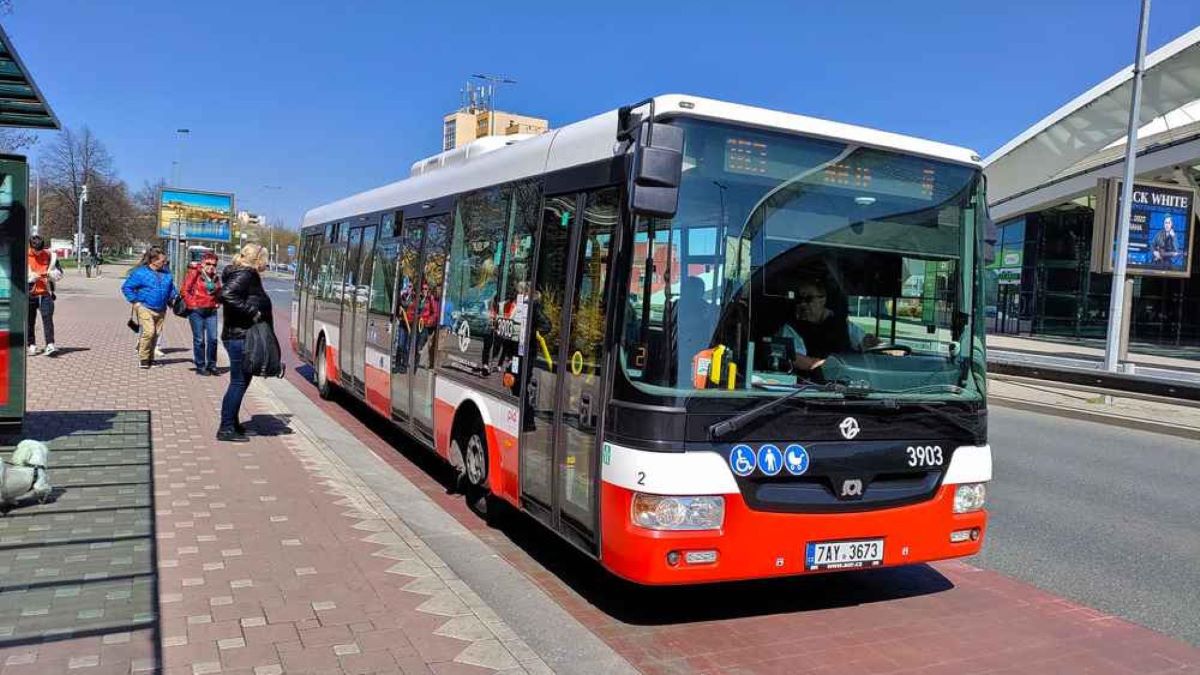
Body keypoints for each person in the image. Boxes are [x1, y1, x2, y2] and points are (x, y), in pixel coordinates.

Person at [217, 243, 273, 442]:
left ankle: (232, 423)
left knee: (241, 382)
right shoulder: (246, 274)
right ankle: (226, 428)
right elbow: (226, 294)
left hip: (238, 335)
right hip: (240, 337)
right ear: (257, 259)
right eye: (266, 258)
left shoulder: (242, 273)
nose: (267, 263)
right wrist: (253, 312)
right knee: (238, 382)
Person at [776, 278, 879, 371]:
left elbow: (866, 344)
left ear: (823, 299)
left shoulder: (844, 324)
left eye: (808, 299)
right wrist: (832, 365)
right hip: (814, 386)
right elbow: (798, 360)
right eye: (799, 299)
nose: (802, 304)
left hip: (848, 380)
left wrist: (869, 343)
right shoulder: (791, 328)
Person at [121, 247, 177, 369]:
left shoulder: (166, 273)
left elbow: (171, 289)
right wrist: (135, 302)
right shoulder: (141, 273)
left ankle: (151, 359)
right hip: (145, 306)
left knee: (155, 334)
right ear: (154, 260)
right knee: (149, 332)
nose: (165, 263)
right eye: (163, 261)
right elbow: (127, 287)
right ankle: (143, 359)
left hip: (161, 309)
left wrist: (175, 299)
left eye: (165, 261)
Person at [182, 251, 222, 375]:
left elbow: (218, 291)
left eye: (214, 265)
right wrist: (192, 304)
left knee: (213, 339)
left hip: (211, 311)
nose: (211, 267)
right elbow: (184, 290)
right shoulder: (195, 273)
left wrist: (218, 301)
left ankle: (212, 365)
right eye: (208, 263)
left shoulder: (215, 277)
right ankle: (200, 366)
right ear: (203, 263)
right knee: (200, 340)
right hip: (197, 311)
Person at [26, 235, 63, 357]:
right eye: (35, 251)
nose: (38, 253)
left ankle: (50, 345)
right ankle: (31, 345)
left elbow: (60, 274)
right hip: (29, 294)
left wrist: (52, 274)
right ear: (30, 247)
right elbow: (17, 275)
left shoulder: (50, 256)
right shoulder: (23, 256)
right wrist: (30, 278)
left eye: (40, 250)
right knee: (29, 321)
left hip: (45, 293)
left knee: (48, 319)